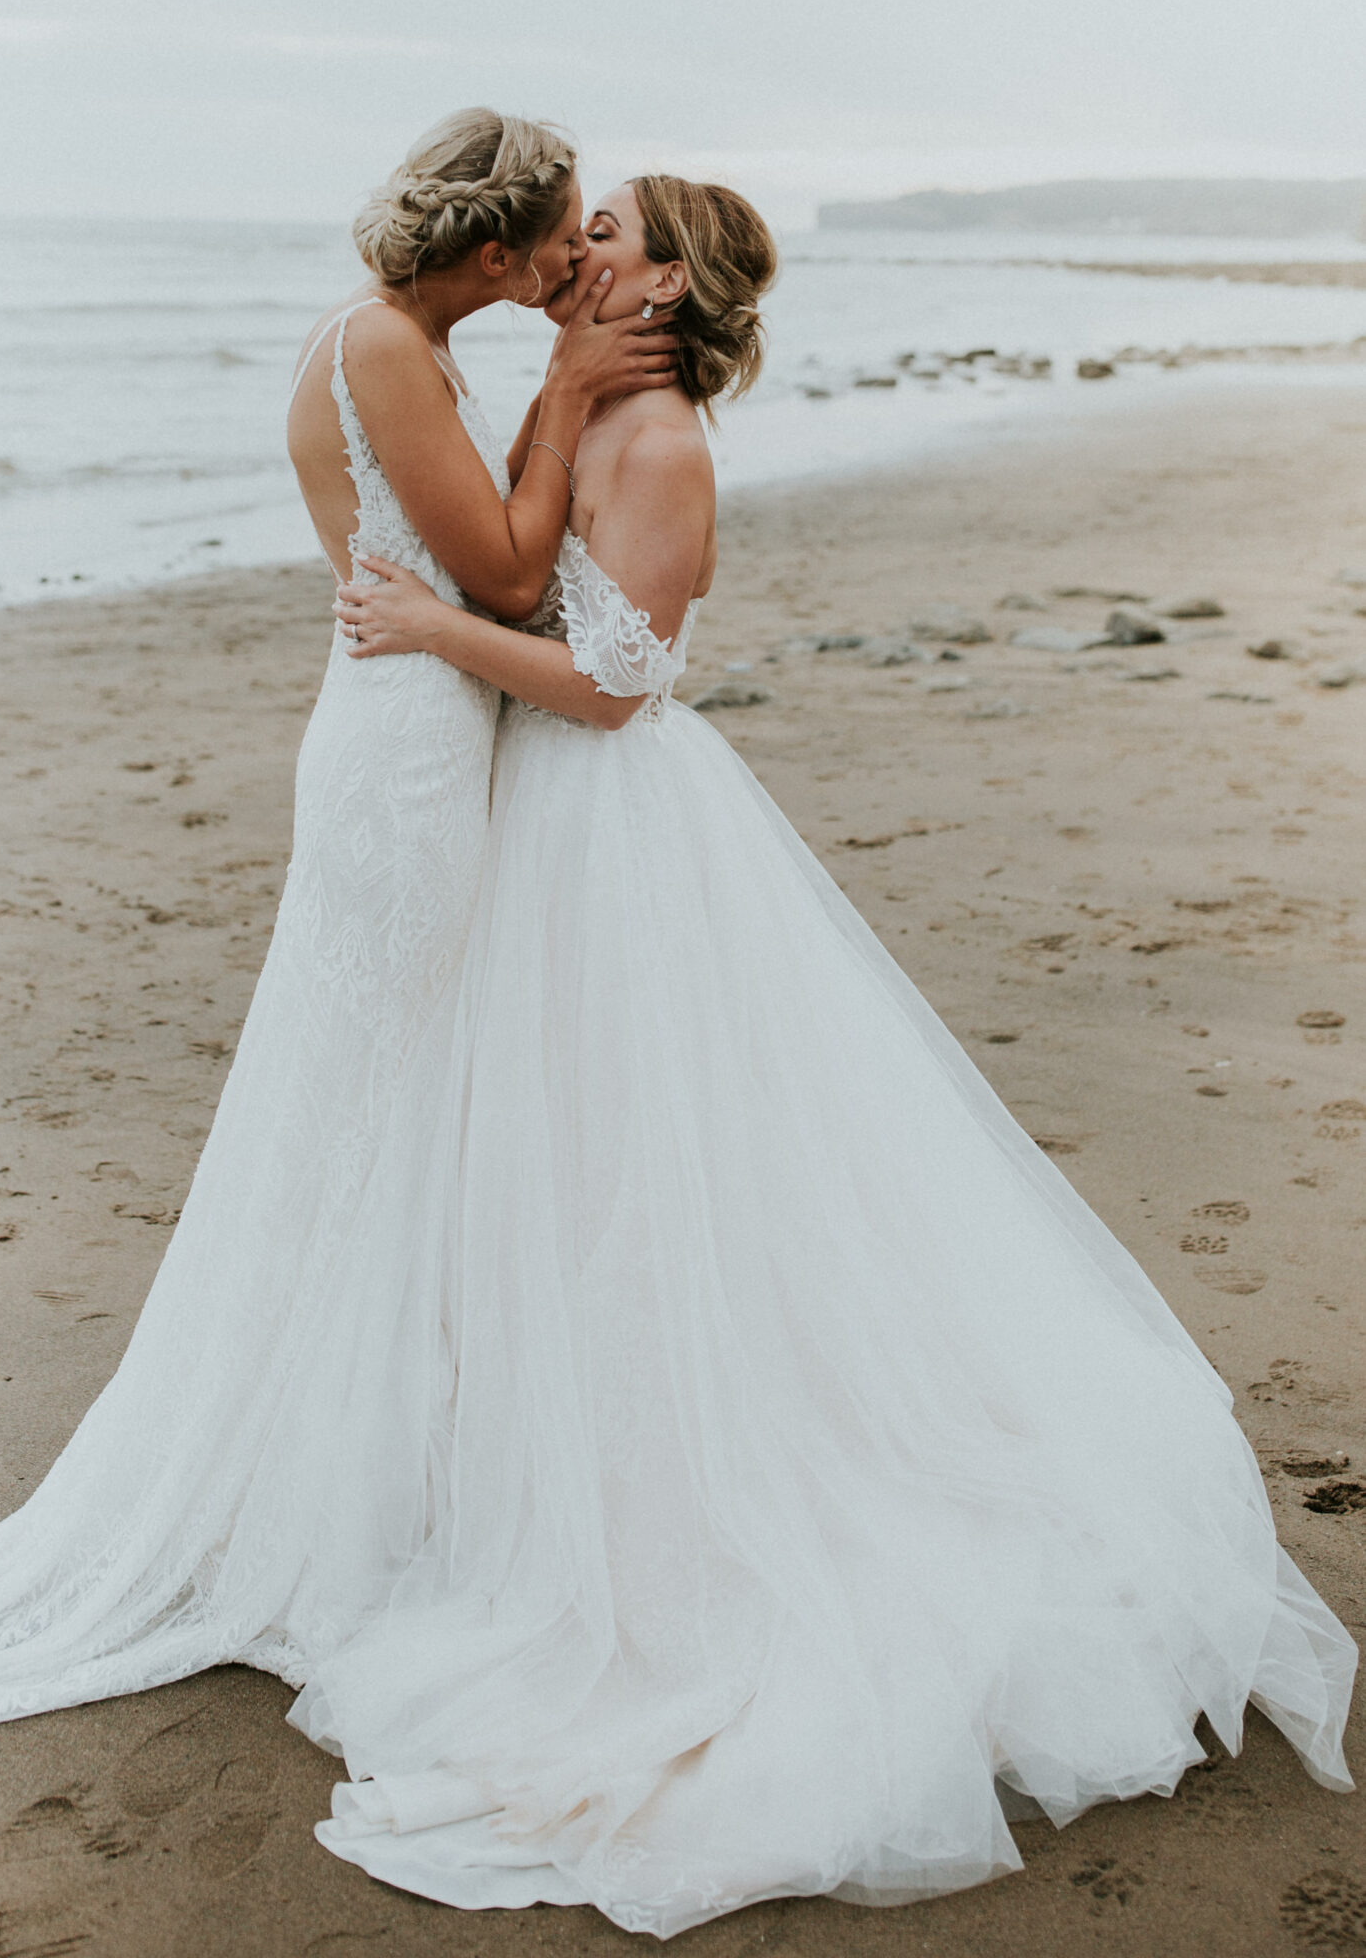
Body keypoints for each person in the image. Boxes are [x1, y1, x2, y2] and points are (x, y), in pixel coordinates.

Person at [318, 175, 1356, 1934]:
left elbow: (619, 680)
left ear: (665, 288)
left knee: (658, 1172)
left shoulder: (664, 448)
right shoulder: (605, 405)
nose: (582, 246)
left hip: (617, 821)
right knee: (586, 1176)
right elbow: (522, 562)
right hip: (558, 831)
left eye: (616, 234)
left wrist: (430, 632)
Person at [0, 107, 675, 1757]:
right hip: (407, 765)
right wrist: (566, 401)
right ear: (494, 254)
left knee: (396, 1112)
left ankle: (384, 1468)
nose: (574, 261)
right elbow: (494, 576)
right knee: (380, 1115)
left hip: (417, 735)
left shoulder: (400, 341)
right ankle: (323, 1498)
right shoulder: (384, 349)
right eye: (561, 237)